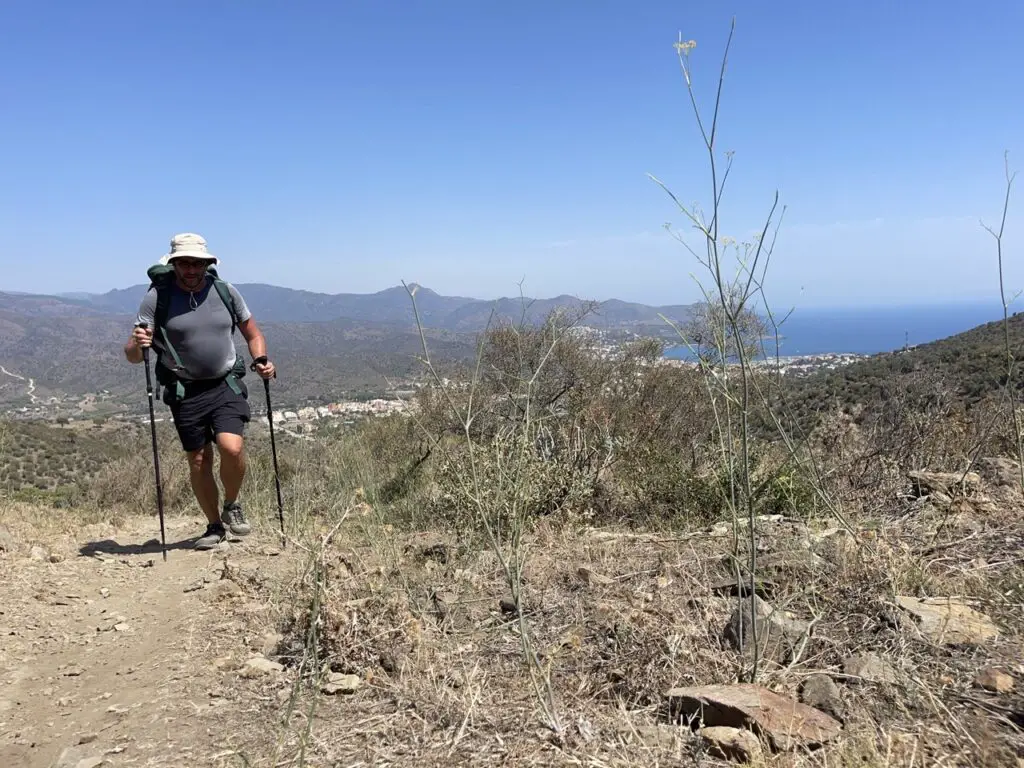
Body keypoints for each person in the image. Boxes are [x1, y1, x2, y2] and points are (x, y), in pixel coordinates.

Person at [123, 233, 276, 550]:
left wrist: (261, 359)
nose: (191, 269)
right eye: (184, 263)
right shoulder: (157, 298)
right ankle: (214, 526)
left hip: (225, 383)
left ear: (208, 263)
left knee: (231, 448)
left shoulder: (224, 291)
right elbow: (134, 354)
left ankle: (232, 504)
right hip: (185, 390)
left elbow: (252, 331)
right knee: (198, 460)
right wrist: (136, 345)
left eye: (197, 263)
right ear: (174, 264)